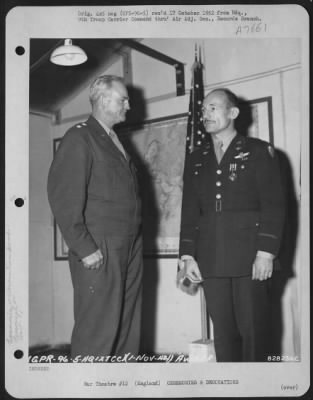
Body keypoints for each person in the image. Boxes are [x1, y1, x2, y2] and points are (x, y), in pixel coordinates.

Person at [178, 88, 285, 362]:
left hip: (250, 257)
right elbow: (190, 209)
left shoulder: (258, 151)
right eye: (203, 110)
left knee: (255, 333)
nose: (205, 114)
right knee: (224, 336)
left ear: (233, 113)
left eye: (213, 108)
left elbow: (274, 204)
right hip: (211, 259)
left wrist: (266, 253)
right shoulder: (196, 157)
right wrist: (187, 256)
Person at [47, 75, 143, 360]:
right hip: (99, 245)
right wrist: (84, 247)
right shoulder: (80, 137)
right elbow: (63, 196)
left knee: (127, 326)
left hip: (129, 244)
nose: (128, 104)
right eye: (123, 98)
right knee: (97, 329)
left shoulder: (114, 140)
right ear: (103, 101)